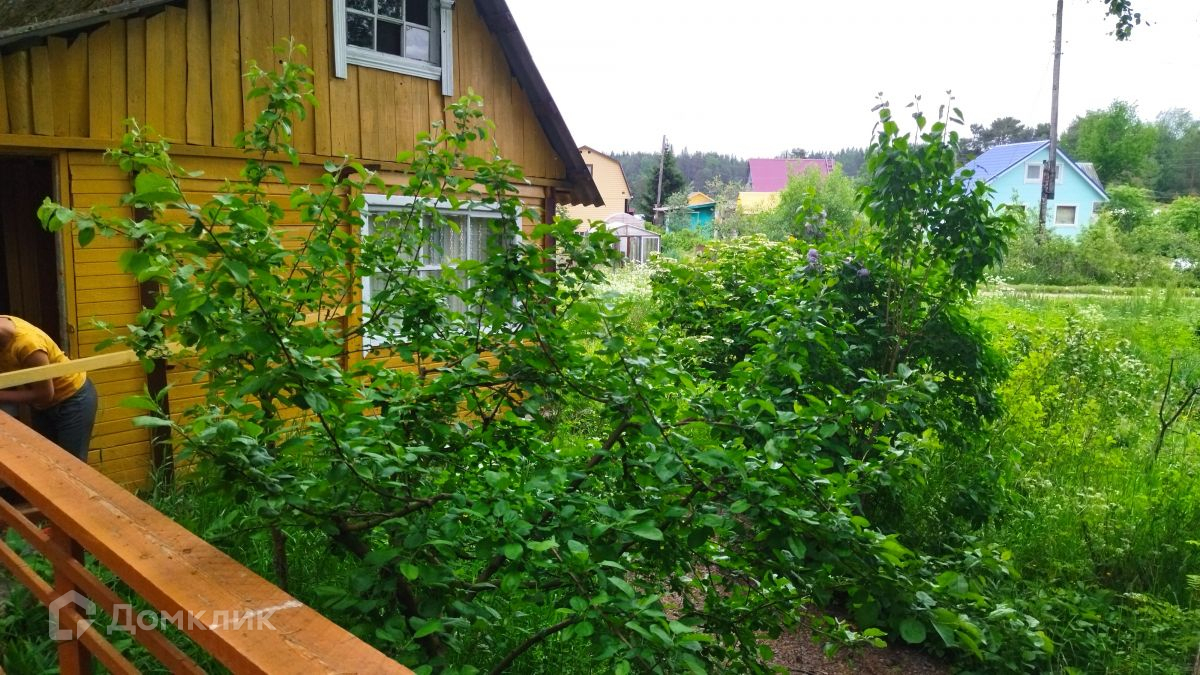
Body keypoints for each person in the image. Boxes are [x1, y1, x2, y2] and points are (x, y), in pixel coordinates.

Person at [0, 315, 96, 462]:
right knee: (45, 460)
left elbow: (45, 394)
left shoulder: (28, 345)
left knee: (71, 464)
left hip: (72, 400)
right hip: (42, 405)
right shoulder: (3, 326)